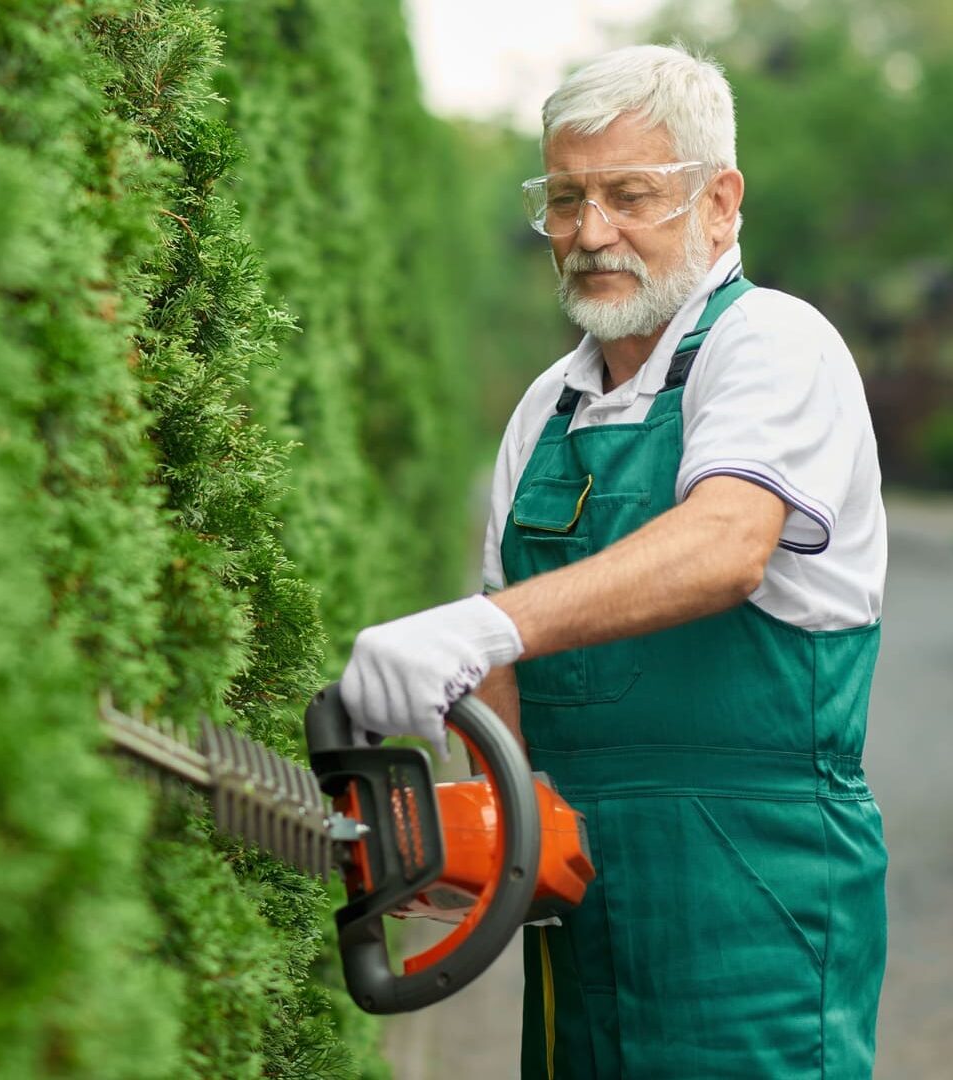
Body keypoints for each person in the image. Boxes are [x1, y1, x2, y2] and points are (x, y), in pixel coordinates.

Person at [339, 43, 888, 1078]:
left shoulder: (773, 344)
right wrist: (480, 830)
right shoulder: (547, 409)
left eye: (630, 196)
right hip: (575, 912)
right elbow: (505, 662)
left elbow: (729, 542)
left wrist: (485, 624)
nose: (591, 234)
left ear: (720, 202)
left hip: (757, 896)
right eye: (565, 199)